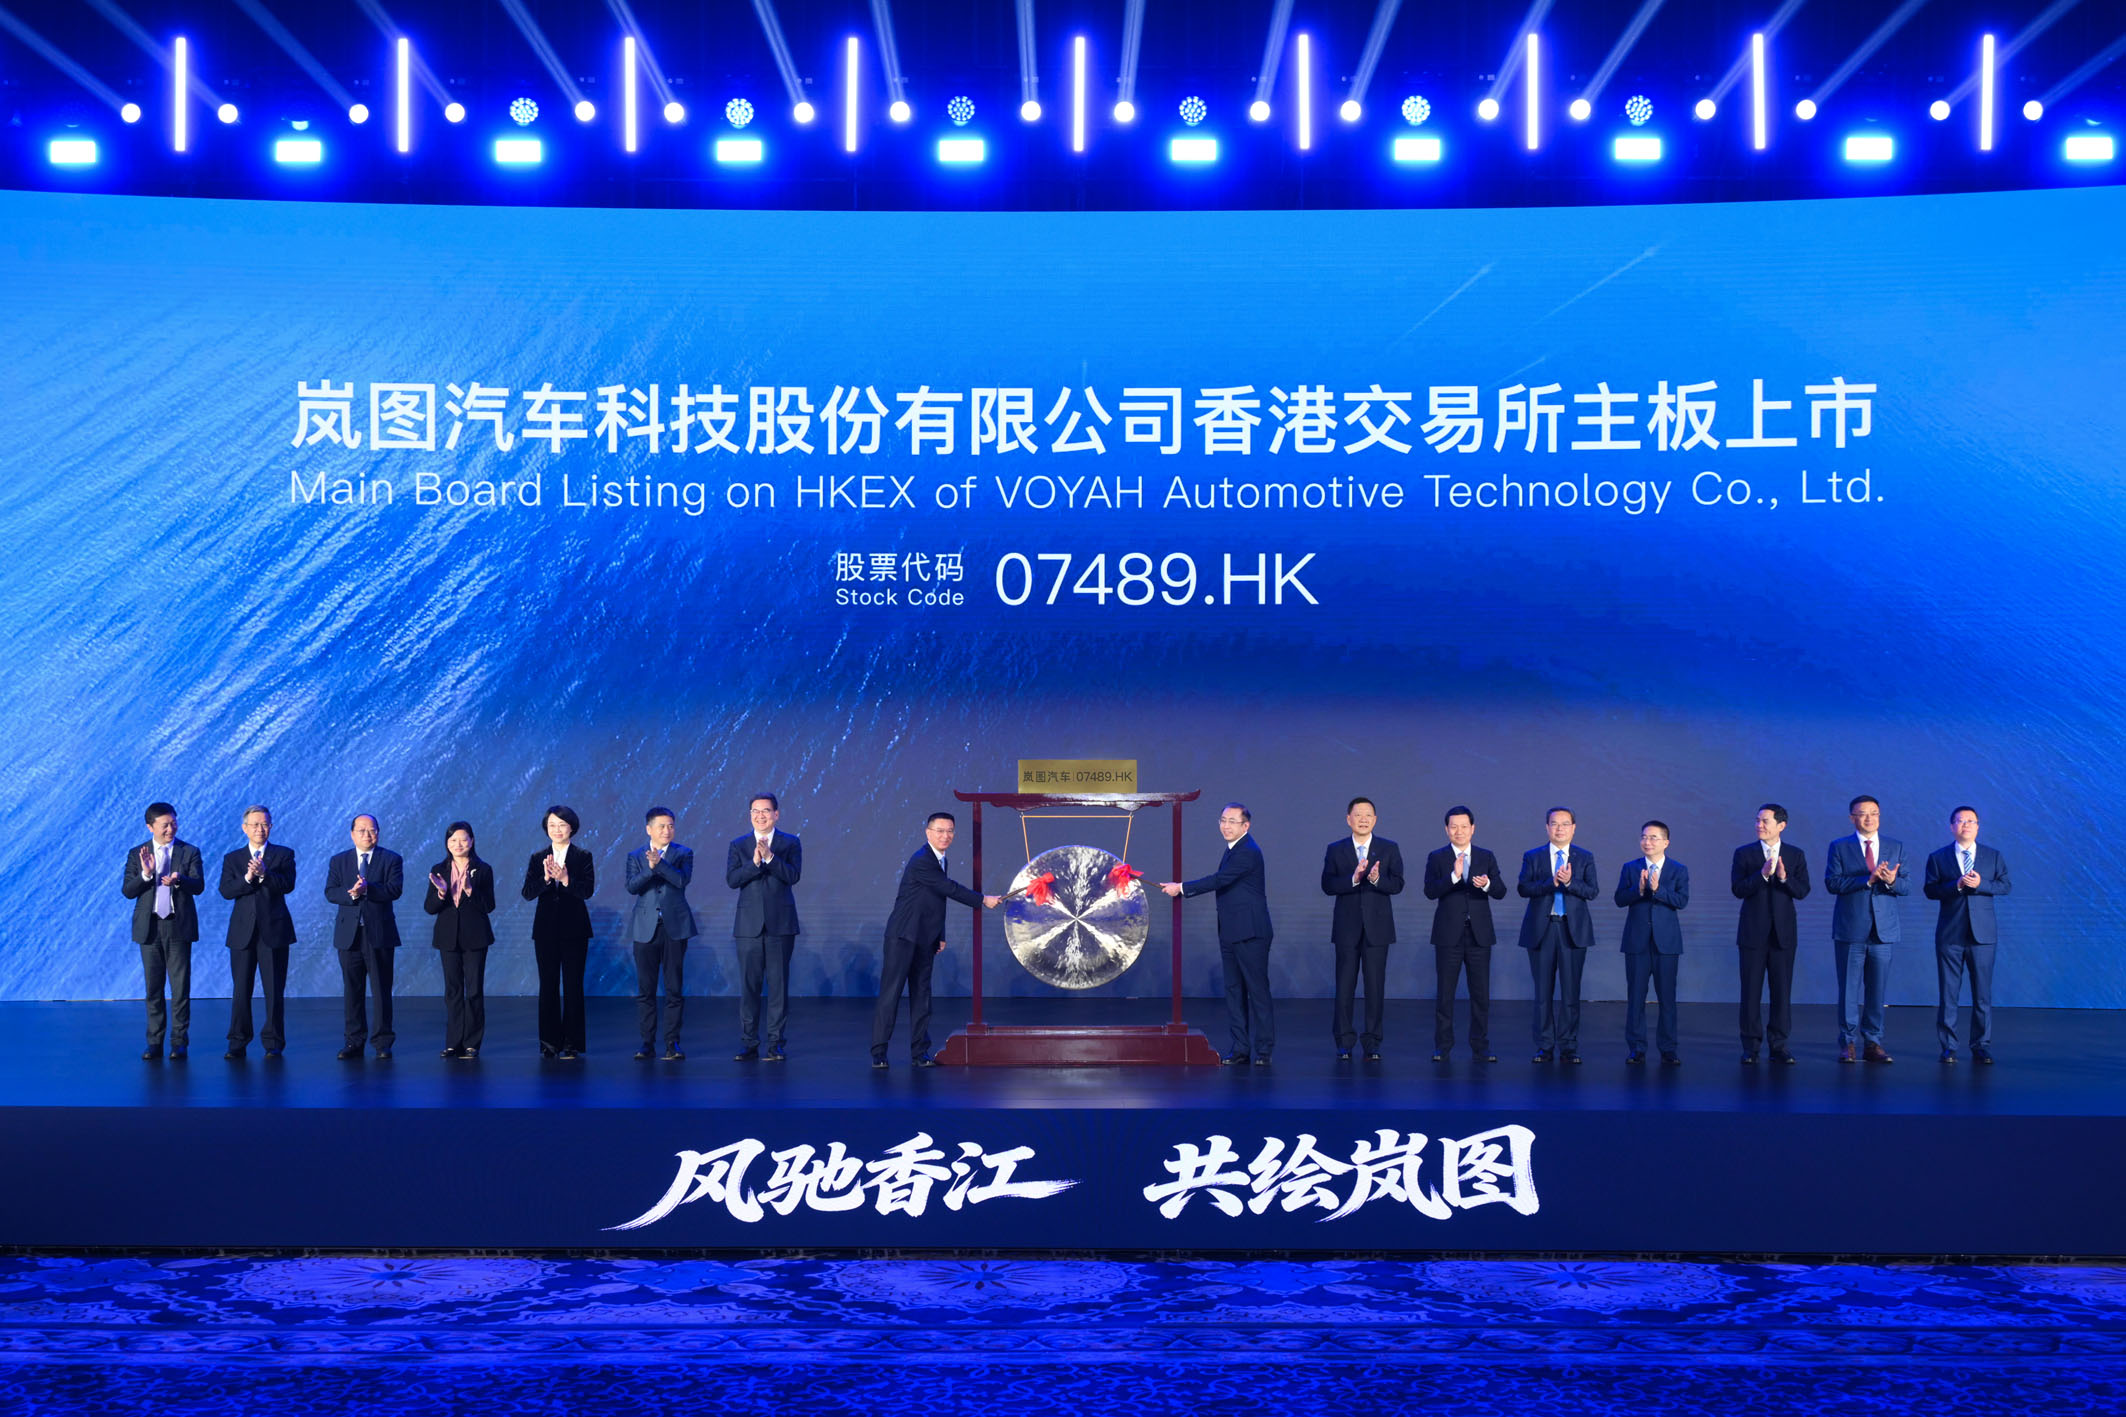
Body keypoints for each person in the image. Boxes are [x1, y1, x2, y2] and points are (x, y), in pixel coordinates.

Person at [873, 813, 1000, 1068]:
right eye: (940, 831)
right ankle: (879, 1052)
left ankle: (920, 1053)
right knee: (891, 994)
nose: (945, 836)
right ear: (928, 832)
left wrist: (939, 935)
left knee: (922, 996)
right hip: (902, 936)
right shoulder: (922, 859)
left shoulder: (941, 859)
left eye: (950, 831)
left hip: (925, 938)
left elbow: (935, 900)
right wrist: (982, 899)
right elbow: (948, 888)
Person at [1161, 803, 1275, 1065]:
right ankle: (1241, 1049)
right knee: (1234, 991)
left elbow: (1219, 880)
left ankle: (1264, 1050)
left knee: (1257, 991)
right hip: (1231, 931)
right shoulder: (1233, 849)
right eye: (1223, 820)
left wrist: (1181, 888)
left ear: (1246, 826)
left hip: (1251, 932)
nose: (1226, 826)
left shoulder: (1248, 851)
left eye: (1232, 821)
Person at [1824, 795, 1909, 1063]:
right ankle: (1847, 1042)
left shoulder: (1895, 846)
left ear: (1879, 816)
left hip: (1883, 931)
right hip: (1851, 928)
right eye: (1862, 813)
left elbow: (1906, 886)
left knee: (1877, 990)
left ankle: (1873, 1042)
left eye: (1874, 813)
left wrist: (1892, 881)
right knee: (1848, 990)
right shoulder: (1839, 846)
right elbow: (1832, 883)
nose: (1869, 818)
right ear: (1852, 818)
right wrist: (1868, 880)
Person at [1924, 806, 2012, 1065]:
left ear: (1978, 826)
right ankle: (1949, 1047)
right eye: (1960, 821)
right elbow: (1930, 890)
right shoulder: (1938, 857)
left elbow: (2005, 886)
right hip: (1950, 934)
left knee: (1982, 994)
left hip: (1983, 935)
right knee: (1948, 994)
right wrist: (1957, 885)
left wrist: (1981, 884)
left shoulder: (1992, 856)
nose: (1966, 825)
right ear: (1952, 826)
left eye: (1971, 821)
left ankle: (1981, 1045)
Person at [1320, 796, 1404, 1061]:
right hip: (1346, 929)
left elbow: (1398, 884)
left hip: (1378, 929)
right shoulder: (1336, 849)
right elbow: (1327, 885)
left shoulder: (1389, 848)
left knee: (1375, 988)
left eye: (1368, 815)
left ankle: (1372, 1042)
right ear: (1349, 819)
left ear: (1375, 820)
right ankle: (1344, 1042)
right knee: (1344, 988)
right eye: (1358, 815)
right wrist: (1354, 879)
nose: (1363, 819)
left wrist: (1377, 879)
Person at [1423, 805, 1507, 1063]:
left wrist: (1487, 884)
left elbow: (1501, 891)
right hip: (1448, 934)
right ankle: (1442, 1046)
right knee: (1445, 994)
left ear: (1472, 828)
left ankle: (1480, 1046)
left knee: (1480, 995)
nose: (1459, 831)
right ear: (1446, 830)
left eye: (1463, 826)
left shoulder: (1485, 856)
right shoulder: (1437, 857)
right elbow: (1430, 892)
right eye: (1453, 827)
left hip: (1479, 935)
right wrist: (1453, 876)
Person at [122, 801, 204, 1061]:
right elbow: (128, 891)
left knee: (180, 989)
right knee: (153, 989)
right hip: (149, 928)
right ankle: (154, 1042)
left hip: (178, 926)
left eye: (174, 823)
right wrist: (146, 875)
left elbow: (198, 886)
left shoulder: (189, 851)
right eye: (165, 825)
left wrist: (180, 880)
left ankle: (179, 1042)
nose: (171, 829)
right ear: (150, 827)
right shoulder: (138, 853)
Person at [1516, 807, 1598, 1064]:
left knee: (1571, 993)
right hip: (1542, 930)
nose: (1559, 828)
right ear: (1547, 827)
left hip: (1572, 931)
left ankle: (1568, 1046)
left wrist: (1570, 883)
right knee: (1543, 993)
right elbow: (1523, 888)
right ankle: (1544, 1045)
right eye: (1554, 824)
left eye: (1564, 824)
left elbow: (1592, 891)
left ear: (1574, 828)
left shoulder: (1584, 857)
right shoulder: (1533, 856)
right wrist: (1550, 883)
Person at [1731, 803, 1811, 1065]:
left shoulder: (1795, 854)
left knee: (1782, 993)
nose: (1759, 825)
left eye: (1765, 821)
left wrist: (1784, 878)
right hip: (1752, 934)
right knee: (1750, 992)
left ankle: (1779, 1045)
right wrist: (1762, 875)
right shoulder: (1744, 854)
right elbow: (1738, 889)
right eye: (1757, 820)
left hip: (1783, 935)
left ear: (1781, 825)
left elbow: (1803, 891)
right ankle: (1750, 1046)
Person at [727, 793, 802, 1062]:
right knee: (750, 987)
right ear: (750, 815)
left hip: (780, 925)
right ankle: (749, 1042)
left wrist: (771, 858)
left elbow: (793, 876)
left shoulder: (790, 842)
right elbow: (732, 880)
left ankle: (775, 1043)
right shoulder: (739, 845)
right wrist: (755, 863)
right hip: (748, 926)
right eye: (756, 811)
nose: (761, 815)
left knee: (778, 987)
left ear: (776, 814)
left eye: (766, 811)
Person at [218, 804, 296, 1059]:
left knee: (274, 990)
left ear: (271, 826)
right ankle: (238, 1041)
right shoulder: (233, 858)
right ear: (245, 828)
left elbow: (288, 885)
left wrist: (265, 875)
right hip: (242, 933)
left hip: (274, 931)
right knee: (241, 990)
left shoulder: (283, 854)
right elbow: (226, 891)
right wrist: (248, 879)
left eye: (265, 824)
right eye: (255, 825)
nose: (260, 829)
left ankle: (273, 1042)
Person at [324, 813, 405, 1060]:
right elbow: (330, 892)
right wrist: (352, 894)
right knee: (352, 991)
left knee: (381, 990)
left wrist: (368, 889)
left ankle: (382, 1043)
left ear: (378, 833)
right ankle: (353, 1041)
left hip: (379, 934)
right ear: (352, 834)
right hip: (349, 935)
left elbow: (394, 890)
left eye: (372, 830)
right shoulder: (339, 860)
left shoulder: (391, 859)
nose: (367, 835)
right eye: (362, 830)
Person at [625, 805, 698, 1061]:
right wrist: (650, 868)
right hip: (645, 928)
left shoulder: (683, 853)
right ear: (649, 829)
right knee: (646, 989)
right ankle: (647, 1042)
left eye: (670, 826)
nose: (667, 830)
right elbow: (632, 886)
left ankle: (672, 1042)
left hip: (675, 928)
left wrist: (660, 864)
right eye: (661, 826)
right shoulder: (635, 855)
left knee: (673, 988)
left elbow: (681, 881)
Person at [522, 805, 595, 1060]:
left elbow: (587, 891)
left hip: (575, 929)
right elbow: (527, 893)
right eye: (552, 825)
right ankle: (549, 1043)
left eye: (562, 825)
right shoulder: (537, 857)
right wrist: (545, 879)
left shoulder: (583, 856)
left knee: (573, 986)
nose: (557, 829)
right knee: (548, 985)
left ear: (571, 827)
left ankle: (572, 1043)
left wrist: (565, 879)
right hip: (545, 931)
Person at [1614, 820, 1689, 1065]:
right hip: (1637, 942)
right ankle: (1636, 1048)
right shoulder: (1630, 867)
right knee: (1636, 997)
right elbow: (1619, 899)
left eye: (1653, 837)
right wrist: (1639, 890)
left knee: (1667, 998)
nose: (1647, 842)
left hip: (1666, 943)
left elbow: (1681, 901)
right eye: (1644, 837)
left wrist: (1657, 890)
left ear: (1666, 842)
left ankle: (1668, 1048)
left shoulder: (1678, 870)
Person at [423, 821, 496, 1059]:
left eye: (463, 839)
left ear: (472, 841)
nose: (458, 844)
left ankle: (472, 1043)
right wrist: (441, 893)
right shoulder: (438, 869)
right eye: (453, 840)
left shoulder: (483, 869)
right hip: (447, 938)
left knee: (473, 991)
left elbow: (489, 906)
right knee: (453, 991)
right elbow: (429, 908)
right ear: (447, 843)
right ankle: (453, 1043)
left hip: (476, 937)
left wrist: (470, 891)